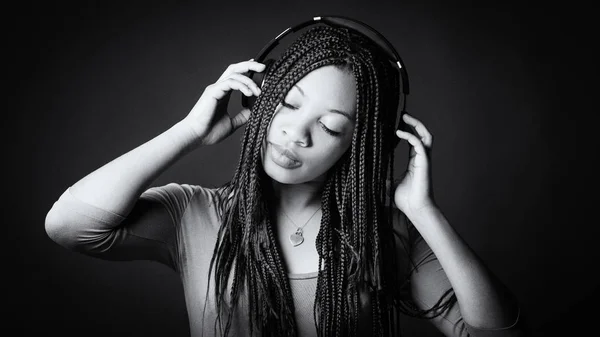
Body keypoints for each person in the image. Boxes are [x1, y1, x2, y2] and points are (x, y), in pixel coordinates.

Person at [45, 23, 525, 337]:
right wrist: (191, 132)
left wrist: (423, 212)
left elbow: (496, 333)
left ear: (358, 146)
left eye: (332, 126)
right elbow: (69, 226)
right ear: (263, 97)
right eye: (289, 104)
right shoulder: (195, 213)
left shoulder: (384, 234)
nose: (296, 132)